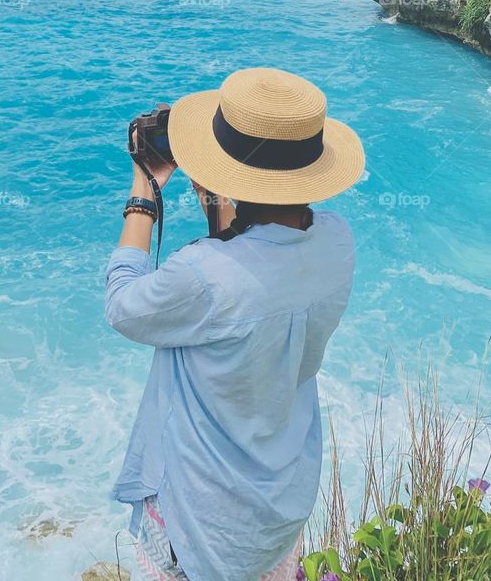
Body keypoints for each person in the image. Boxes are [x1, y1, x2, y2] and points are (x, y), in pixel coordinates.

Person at [105, 66, 365, 581]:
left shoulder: (201, 275)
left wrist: (143, 191)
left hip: (200, 517)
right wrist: (218, 193)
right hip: (276, 504)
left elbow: (123, 306)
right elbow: (249, 256)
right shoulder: (337, 242)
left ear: (219, 175)